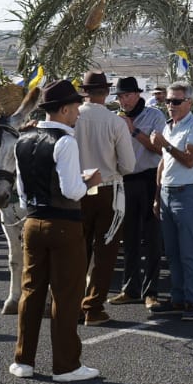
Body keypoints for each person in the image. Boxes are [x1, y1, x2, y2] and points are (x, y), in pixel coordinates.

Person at [9, 79, 103, 382]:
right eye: (75, 107)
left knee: (31, 291)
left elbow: (22, 192)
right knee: (66, 295)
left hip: (33, 222)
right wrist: (90, 181)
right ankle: (66, 366)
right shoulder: (65, 142)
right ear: (63, 110)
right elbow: (72, 191)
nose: (77, 113)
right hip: (63, 224)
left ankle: (23, 360)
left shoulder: (22, 140)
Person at [73, 71, 136, 326]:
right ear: (107, 92)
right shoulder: (115, 122)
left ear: (84, 92)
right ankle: (93, 307)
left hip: (78, 189)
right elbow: (129, 165)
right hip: (109, 189)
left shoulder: (72, 119)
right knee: (105, 251)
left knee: (78, 250)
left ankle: (75, 304)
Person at [153, 81, 193, 320]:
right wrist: (157, 196)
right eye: (168, 101)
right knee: (172, 253)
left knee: (187, 251)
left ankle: (191, 301)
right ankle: (178, 298)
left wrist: (165, 145)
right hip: (168, 193)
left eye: (176, 101)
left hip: (187, 193)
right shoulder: (170, 126)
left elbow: (189, 160)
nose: (170, 105)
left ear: (189, 102)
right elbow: (163, 164)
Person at [111, 76, 167, 306]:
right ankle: (130, 288)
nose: (123, 101)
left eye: (127, 96)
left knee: (152, 237)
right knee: (130, 237)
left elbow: (159, 149)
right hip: (125, 180)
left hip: (149, 178)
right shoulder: (116, 118)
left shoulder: (155, 116)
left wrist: (133, 131)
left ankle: (151, 292)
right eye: (120, 97)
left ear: (137, 95)